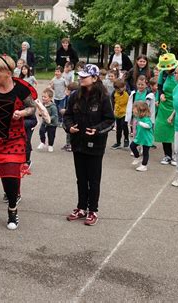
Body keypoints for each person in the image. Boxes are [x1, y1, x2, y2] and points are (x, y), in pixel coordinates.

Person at [0, 55, 37, 230]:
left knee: (10, 179)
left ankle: (12, 210)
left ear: (7, 73)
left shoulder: (21, 90)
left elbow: (32, 107)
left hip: (13, 140)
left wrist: (22, 113)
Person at [64, 64, 115, 226]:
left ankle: (92, 210)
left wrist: (97, 130)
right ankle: (81, 208)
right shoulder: (74, 95)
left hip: (95, 145)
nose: (81, 78)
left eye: (85, 76)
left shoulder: (103, 97)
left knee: (93, 179)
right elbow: (68, 115)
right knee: (81, 178)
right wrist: (69, 127)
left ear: (94, 78)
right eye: (80, 75)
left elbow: (109, 121)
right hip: (78, 143)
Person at [154, 47, 178, 166]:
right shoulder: (163, 74)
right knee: (164, 129)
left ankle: (175, 155)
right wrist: (161, 95)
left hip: (177, 105)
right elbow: (159, 86)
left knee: (176, 130)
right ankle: (167, 155)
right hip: (164, 105)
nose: (166, 70)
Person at [130, 102, 154, 172]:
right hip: (140, 137)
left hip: (146, 138)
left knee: (145, 152)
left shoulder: (146, 118)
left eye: (134, 109)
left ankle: (144, 165)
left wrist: (140, 123)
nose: (133, 110)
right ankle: (137, 157)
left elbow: (149, 126)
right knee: (132, 146)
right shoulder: (138, 117)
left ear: (140, 110)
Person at [37, 88, 58, 152]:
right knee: (41, 131)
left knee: (51, 135)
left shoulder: (53, 107)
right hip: (45, 122)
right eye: (42, 96)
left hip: (52, 124)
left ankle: (50, 145)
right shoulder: (43, 105)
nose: (43, 98)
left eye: (45, 97)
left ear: (50, 98)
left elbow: (55, 116)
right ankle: (42, 142)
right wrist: (40, 114)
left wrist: (48, 118)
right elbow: (41, 112)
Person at [111, 79, 130, 149]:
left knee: (124, 126)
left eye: (119, 89)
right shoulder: (114, 93)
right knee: (118, 129)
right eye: (116, 89)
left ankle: (126, 140)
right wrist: (112, 110)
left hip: (124, 113)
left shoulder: (128, 93)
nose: (117, 91)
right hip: (117, 113)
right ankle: (118, 142)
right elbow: (112, 101)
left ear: (124, 87)